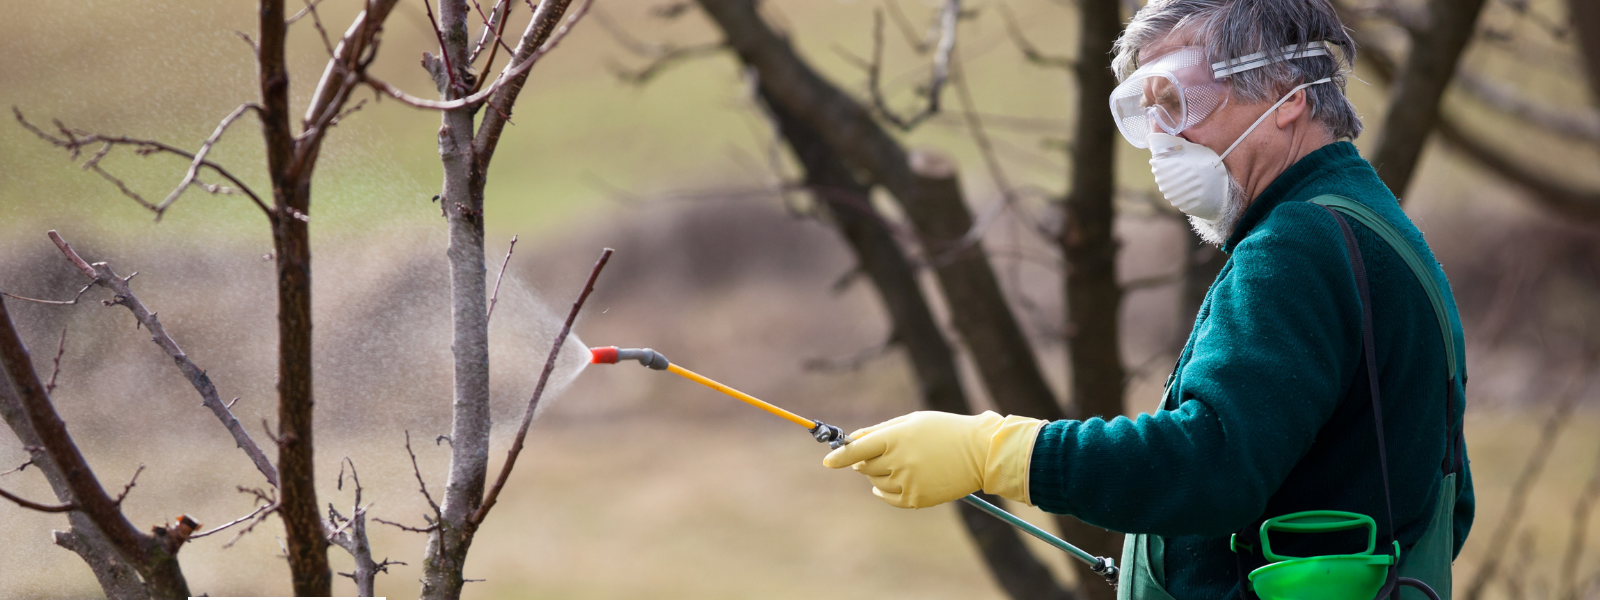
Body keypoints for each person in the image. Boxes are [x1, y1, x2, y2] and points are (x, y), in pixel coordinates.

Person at [822, 1, 1473, 598]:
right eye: (1145, 107)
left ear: (1284, 95)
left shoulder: (1298, 244)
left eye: (1179, 99)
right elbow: (1450, 501)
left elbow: (1211, 463)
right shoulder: (1369, 226)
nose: (1161, 135)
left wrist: (995, 452)